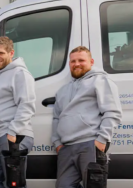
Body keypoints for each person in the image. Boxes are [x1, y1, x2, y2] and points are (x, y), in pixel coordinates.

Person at [52, 46, 122, 188]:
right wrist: (57, 143)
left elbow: (112, 112)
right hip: (66, 148)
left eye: (81, 60)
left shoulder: (101, 81)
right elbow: (56, 118)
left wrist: (102, 140)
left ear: (91, 61)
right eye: (73, 61)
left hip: (89, 145)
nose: (76, 64)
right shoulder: (62, 91)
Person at [0, 37, 37, 188]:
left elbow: (27, 105)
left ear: (11, 53)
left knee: (14, 185)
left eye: (0, 53)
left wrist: (13, 131)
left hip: (13, 138)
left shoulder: (20, 74)